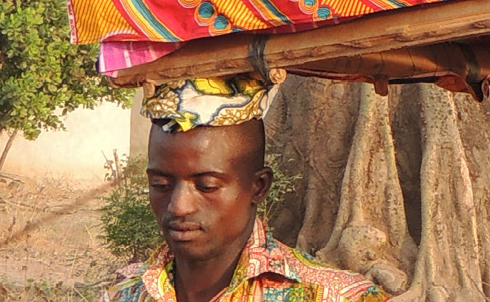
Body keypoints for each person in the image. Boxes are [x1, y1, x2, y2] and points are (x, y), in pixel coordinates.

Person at [100, 76, 385, 302]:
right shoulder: (124, 295)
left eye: (206, 186)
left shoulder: (334, 296)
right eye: (160, 185)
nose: (178, 206)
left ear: (258, 187)